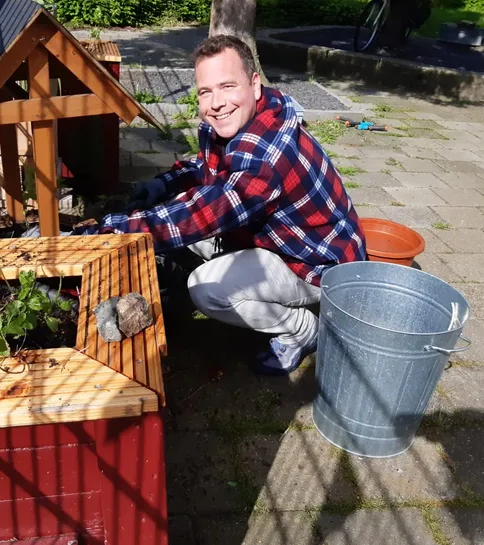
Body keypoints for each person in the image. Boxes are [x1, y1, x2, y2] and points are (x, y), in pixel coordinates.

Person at [76, 35, 366, 376]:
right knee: (177, 215)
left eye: (228, 86)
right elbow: (208, 167)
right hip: (278, 238)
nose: (216, 103)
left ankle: (301, 329)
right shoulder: (248, 117)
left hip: (315, 264)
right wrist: (165, 183)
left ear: (254, 84)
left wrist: (113, 230)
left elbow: (203, 214)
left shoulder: (266, 157)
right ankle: (226, 275)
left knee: (205, 288)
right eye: (205, 91)